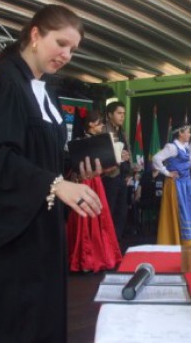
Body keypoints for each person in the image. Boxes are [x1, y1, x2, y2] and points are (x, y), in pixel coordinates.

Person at [0, 4, 102, 343]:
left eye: (73, 49)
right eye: (61, 43)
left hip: (42, 230)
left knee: (43, 317)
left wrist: (75, 169)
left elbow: (43, 156)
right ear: (35, 34)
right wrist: (56, 184)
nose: (67, 54)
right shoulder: (4, 83)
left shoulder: (45, 92)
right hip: (14, 237)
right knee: (18, 322)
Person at [67, 109, 122, 273]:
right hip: (84, 183)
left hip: (96, 182)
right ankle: (85, 259)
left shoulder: (101, 140)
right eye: (99, 123)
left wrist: (116, 160)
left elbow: (102, 167)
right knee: (84, 220)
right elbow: (75, 166)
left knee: (100, 218)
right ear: (91, 124)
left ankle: (100, 256)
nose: (102, 126)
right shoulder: (79, 142)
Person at [152, 124, 191, 246]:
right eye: (188, 132)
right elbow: (156, 158)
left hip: (186, 184)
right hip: (176, 185)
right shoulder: (172, 147)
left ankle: (187, 241)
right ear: (180, 133)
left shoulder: (186, 147)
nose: (190, 134)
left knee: (187, 211)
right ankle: (174, 241)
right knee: (177, 211)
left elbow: (190, 163)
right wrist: (167, 172)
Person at [102, 99, 132, 241]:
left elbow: (127, 151)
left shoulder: (122, 131)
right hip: (109, 176)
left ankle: (116, 244)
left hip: (122, 176)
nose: (122, 116)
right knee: (109, 211)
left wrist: (130, 172)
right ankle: (107, 244)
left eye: (124, 114)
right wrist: (118, 156)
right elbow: (100, 155)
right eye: (119, 113)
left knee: (121, 212)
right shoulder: (103, 130)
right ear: (109, 115)